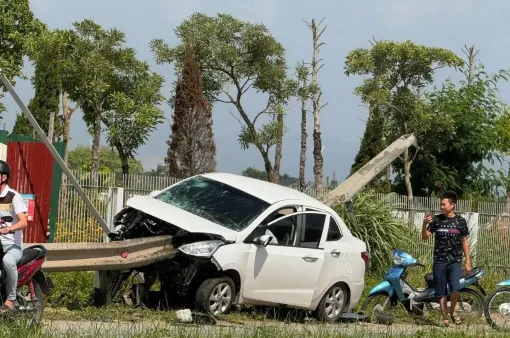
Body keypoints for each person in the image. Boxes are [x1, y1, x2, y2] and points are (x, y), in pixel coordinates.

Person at [422, 191, 471, 326]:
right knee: (441, 291)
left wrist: (468, 261)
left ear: (452, 205)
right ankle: (445, 317)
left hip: (455, 261)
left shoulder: (460, 221)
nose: (441, 207)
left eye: (444, 204)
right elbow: (425, 236)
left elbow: (465, 241)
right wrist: (424, 223)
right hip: (439, 261)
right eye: (441, 204)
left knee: (455, 289)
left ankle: (452, 311)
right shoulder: (437, 220)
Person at [0, 160, 28, 313]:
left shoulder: (13, 196)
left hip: (12, 246)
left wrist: (9, 228)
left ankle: (10, 298)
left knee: (8, 261)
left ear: (3, 177)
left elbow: (24, 222)